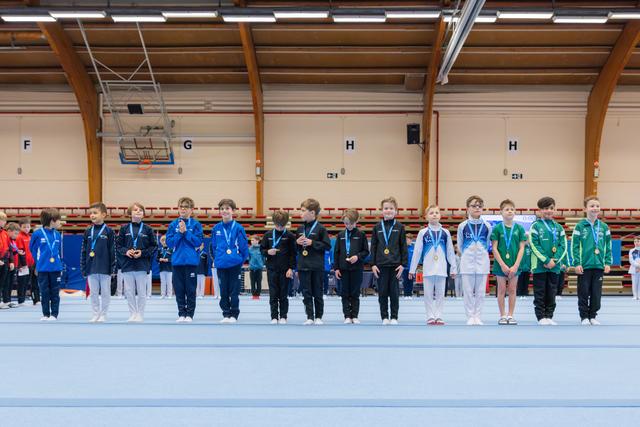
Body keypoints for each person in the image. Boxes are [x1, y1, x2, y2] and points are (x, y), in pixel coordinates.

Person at [409, 205, 456, 325]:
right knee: (428, 294)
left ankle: (439, 315)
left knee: (441, 294)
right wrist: (412, 269)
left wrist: (453, 268)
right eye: (431, 213)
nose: (434, 215)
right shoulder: (423, 233)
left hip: (442, 267)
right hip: (428, 268)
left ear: (440, 215)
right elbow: (417, 251)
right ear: (426, 217)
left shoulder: (445, 233)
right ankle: (430, 315)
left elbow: (450, 251)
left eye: (436, 212)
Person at [571, 196, 612, 325]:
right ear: (585, 209)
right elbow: (574, 246)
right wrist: (576, 263)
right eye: (592, 206)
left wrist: (607, 262)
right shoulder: (580, 226)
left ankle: (593, 315)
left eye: (597, 206)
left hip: (599, 265)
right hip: (585, 266)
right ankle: (584, 317)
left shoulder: (604, 227)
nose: (595, 208)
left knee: (596, 293)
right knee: (583, 292)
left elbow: (608, 246)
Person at [529, 196, 567, 326]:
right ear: (539, 211)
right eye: (545, 208)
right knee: (540, 292)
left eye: (551, 208)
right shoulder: (535, 226)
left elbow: (563, 246)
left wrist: (555, 261)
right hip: (540, 265)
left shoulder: (559, 228)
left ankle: (549, 316)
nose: (548, 211)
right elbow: (534, 245)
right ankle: (540, 317)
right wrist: (545, 259)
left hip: (554, 266)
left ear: (554, 209)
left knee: (552, 292)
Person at [370, 197, 408, 325]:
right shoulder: (376, 227)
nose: (388, 210)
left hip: (395, 266)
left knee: (394, 293)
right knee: (382, 293)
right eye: (386, 208)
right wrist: (373, 264)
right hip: (381, 265)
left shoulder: (400, 227)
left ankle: (394, 317)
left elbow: (403, 247)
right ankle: (384, 317)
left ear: (396, 211)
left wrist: (403, 264)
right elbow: (373, 247)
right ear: (382, 210)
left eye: (391, 208)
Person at [457, 195, 492, 325]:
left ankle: (478, 315)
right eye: (474, 206)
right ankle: (470, 316)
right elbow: (460, 245)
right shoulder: (462, 226)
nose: (477, 208)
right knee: (467, 291)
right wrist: (467, 255)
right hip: (467, 262)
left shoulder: (488, 226)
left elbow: (487, 243)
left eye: (479, 206)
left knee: (480, 292)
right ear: (467, 209)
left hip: (482, 262)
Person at [80, 202, 116, 323]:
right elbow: (84, 251)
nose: (92, 215)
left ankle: (103, 314)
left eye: (95, 213)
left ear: (104, 214)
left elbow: (113, 251)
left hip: (105, 267)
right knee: (94, 293)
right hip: (91, 267)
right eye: (91, 213)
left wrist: (113, 268)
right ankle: (95, 313)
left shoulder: (109, 231)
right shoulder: (87, 231)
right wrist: (83, 267)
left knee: (105, 293)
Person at [333, 209, 369, 324]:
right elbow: (336, 253)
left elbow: (366, 251)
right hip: (343, 268)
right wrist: (336, 268)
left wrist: (357, 257)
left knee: (355, 292)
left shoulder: (361, 235)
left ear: (356, 221)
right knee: (344, 293)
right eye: (346, 223)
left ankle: (355, 315)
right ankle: (347, 316)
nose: (348, 226)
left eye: (351, 223)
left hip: (356, 268)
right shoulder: (340, 235)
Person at [260, 210, 296, 324]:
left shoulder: (290, 236)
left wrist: (291, 268)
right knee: (273, 294)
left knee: (283, 294)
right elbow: (261, 250)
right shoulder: (268, 235)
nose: (280, 227)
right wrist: (267, 252)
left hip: (285, 270)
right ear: (274, 223)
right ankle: (274, 317)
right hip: (271, 269)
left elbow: (293, 253)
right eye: (277, 225)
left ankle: (283, 316)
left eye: (282, 225)